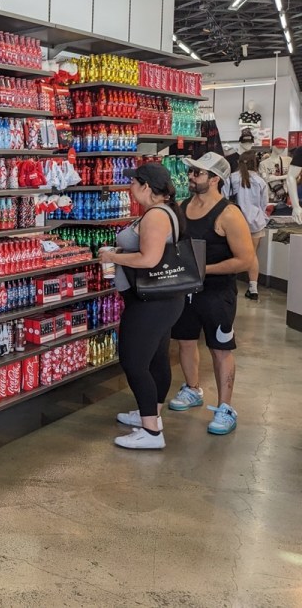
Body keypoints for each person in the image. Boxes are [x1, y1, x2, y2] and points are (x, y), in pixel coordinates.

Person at [168, 152, 257, 435]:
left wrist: (204, 269)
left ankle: (225, 407)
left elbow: (245, 259)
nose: (191, 177)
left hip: (217, 294)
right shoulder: (183, 207)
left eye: (198, 173)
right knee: (185, 341)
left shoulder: (228, 214)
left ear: (215, 179)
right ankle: (193, 389)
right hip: (186, 291)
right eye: (192, 172)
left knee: (220, 350)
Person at [100, 163, 186, 450]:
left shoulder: (156, 216)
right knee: (157, 359)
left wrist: (114, 256)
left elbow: (149, 259)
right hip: (163, 300)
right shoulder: (165, 211)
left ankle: (150, 433)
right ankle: (152, 414)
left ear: (146, 187)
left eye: (133, 182)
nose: (129, 187)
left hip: (151, 302)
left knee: (134, 361)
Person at [223, 151, 270, 300]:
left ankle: (229, 286)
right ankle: (253, 288)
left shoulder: (231, 179)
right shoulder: (261, 181)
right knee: (252, 255)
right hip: (256, 223)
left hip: (235, 223)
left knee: (232, 254)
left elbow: (223, 200)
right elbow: (264, 204)